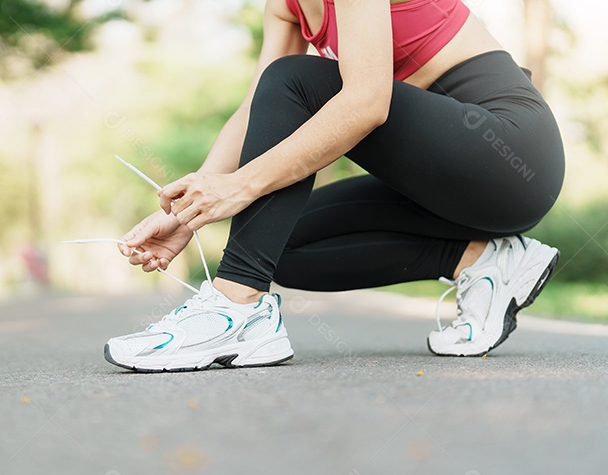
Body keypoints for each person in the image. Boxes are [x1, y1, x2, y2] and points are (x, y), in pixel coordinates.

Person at [105, 0, 564, 372]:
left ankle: (235, 308)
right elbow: (256, 108)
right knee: (281, 241)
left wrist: (240, 186)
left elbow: (366, 102)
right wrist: (184, 215)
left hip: (511, 154)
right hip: (445, 181)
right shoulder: (285, 7)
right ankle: (485, 260)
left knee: (295, 80)